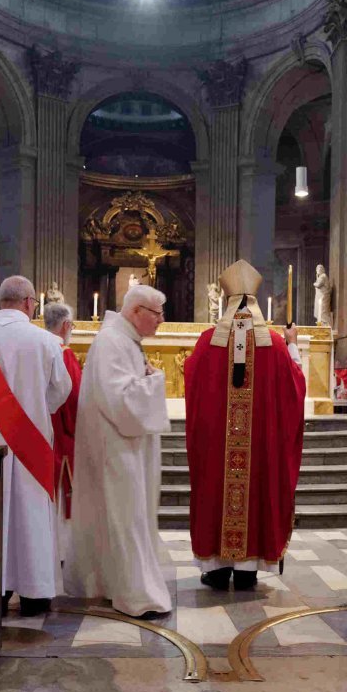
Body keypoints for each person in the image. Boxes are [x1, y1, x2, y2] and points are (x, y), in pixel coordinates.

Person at [183, 260, 305, 590]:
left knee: (217, 489)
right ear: (253, 301)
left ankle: (218, 568)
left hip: (217, 446)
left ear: (226, 301)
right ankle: (248, 568)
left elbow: (191, 383)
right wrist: (293, 344)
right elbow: (296, 389)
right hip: (259, 448)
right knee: (255, 489)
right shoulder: (276, 346)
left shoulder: (210, 341)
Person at [0, 275, 71, 617]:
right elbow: (60, 392)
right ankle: (35, 592)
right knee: (31, 513)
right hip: (30, 439)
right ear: (28, 302)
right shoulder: (47, 342)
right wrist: (37, 406)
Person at [65, 284, 171, 618]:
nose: (161, 321)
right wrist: (155, 381)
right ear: (137, 311)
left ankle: (116, 586)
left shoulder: (123, 340)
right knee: (126, 518)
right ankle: (135, 595)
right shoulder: (112, 341)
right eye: (157, 314)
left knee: (125, 517)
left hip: (122, 444)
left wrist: (146, 377)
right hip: (115, 447)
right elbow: (119, 399)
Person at [44, 302, 82, 568]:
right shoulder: (64, 354)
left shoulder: (38, 346)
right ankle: (63, 551)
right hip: (64, 436)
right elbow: (76, 399)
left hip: (41, 433)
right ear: (66, 325)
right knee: (63, 494)